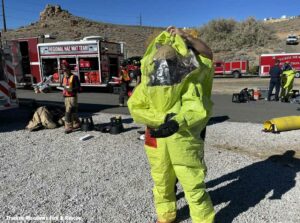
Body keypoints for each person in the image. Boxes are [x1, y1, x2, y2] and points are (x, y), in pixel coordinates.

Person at [128, 26, 215, 223]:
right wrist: (162, 120)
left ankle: (203, 220)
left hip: (182, 138)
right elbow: (135, 106)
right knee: (161, 179)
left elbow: (197, 108)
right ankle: (166, 216)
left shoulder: (188, 80)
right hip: (157, 137)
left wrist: (175, 122)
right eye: (160, 63)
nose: (163, 67)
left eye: (167, 62)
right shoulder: (148, 85)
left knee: (192, 182)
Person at [61, 61, 81, 134]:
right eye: (63, 70)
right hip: (66, 97)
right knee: (73, 112)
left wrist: (71, 89)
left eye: (65, 70)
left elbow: (79, 88)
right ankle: (77, 123)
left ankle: (69, 127)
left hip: (72, 97)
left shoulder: (74, 77)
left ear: (69, 69)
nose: (64, 71)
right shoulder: (64, 77)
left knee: (68, 112)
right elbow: (62, 85)